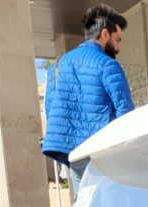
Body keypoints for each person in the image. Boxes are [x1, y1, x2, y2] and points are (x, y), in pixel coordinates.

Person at [42, 4, 133, 193]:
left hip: (74, 154)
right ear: (105, 34)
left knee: (85, 204)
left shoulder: (56, 67)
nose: (119, 48)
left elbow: (51, 111)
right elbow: (126, 113)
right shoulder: (108, 65)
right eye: (118, 40)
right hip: (103, 152)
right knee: (113, 205)